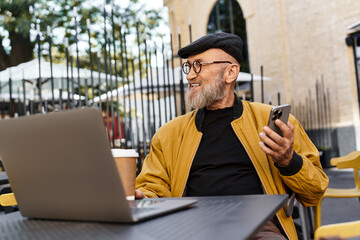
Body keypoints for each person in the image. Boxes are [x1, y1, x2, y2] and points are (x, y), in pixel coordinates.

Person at [135, 32, 329, 239]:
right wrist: (143, 198)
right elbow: (152, 187)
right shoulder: (169, 134)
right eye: (188, 66)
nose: (190, 75)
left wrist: (288, 161)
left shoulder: (275, 122)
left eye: (198, 65)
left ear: (230, 72)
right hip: (191, 227)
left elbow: (314, 192)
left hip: (259, 227)